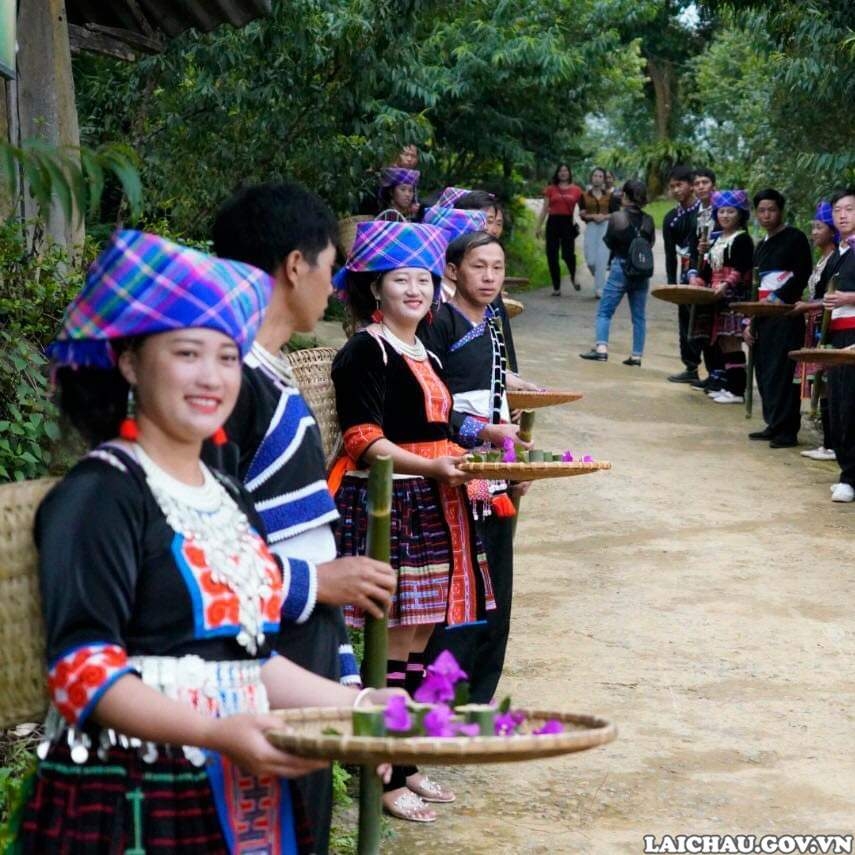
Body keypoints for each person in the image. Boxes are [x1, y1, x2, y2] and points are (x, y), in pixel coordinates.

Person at [18, 230, 395, 854]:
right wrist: (220, 731)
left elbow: (245, 659)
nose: (212, 377)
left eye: (227, 357)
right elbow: (82, 674)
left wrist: (360, 707)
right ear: (130, 361)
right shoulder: (99, 497)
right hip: (135, 803)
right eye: (188, 354)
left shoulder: (224, 494)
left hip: (238, 795)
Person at [209, 182, 397, 853]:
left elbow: (308, 543)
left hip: (298, 654)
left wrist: (344, 682)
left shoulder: (268, 374)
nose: (333, 281)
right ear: (295, 265)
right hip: (252, 665)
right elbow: (200, 561)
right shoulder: (229, 388)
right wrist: (317, 588)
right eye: (330, 263)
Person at [331, 219, 495, 822]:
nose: (416, 289)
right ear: (374, 287)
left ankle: (405, 761)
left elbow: (439, 427)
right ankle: (386, 773)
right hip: (394, 501)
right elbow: (363, 439)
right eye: (401, 279)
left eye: (423, 278)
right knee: (396, 641)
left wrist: (485, 435)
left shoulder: (422, 348)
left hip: (434, 498)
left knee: (423, 637)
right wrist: (429, 469)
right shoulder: (365, 350)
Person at [419, 230, 535, 707]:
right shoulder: (438, 324)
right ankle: (438, 705)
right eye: (478, 267)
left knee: (497, 588)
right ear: (452, 271)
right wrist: (484, 436)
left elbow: (497, 398)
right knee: (460, 590)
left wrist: (512, 462)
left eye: (497, 268)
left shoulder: (491, 320)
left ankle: (476, 700)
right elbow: (428, 406)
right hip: (455, 468)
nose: (489, 277)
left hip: (493, 471)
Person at [746, 189, 813, 448]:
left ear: (781, 211)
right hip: (763, 315)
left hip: (786, 315)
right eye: (761, 210)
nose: (766, 215)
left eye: (771, 210)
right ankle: (773, 423)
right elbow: (755, 284)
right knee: (764, 370)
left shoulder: (794, 238)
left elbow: (802, 272)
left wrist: (778, 298)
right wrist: (750, 320)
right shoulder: (761, 245)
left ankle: (787, 430)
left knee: (782, 372)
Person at [579, 179, 655, 366]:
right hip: (641, 271)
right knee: (639, 316)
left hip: (620, 266)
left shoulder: (617, 217)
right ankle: (636, 355)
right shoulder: (649, 220)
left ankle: (601, 349)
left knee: (605, 311)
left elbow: (609, 242)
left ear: (626, 196)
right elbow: (650, 244)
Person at [689, 190, 754, 404]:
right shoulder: (717, 239)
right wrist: (699, 282)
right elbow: (707, 267)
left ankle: (736, 390)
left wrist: (726, 284)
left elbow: (741, 267)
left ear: (740, 214)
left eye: (731, 211)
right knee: (724, 343)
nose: (725, 216)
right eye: (722, 211)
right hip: (717, 296)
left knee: (733, 341)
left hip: (733, 296)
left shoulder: (742, 239)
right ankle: (729, 386)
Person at [793, 202, 839, 461]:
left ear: (831, 231)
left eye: (819, 227)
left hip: (828, 326)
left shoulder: (836, 259)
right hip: (815, 323)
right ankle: (827, 442)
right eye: (813, 227)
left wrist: (809, 305)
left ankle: (832, 443)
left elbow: (832, 297)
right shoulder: (822, 258)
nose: (814, 232)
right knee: (822, 384)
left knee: (829, 382)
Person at [817, 188, 855, 502]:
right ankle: (847, 471)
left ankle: (850, 476)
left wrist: (848, 298)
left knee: (851, 404)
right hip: (837, 335)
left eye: (850, 209)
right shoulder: (839, 253)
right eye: (837, 210)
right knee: (839, 404)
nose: (842, 215)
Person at [663, 166, 703, 383]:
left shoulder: (705, 212)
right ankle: (691, 367)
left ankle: (717, 372)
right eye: (672, 187)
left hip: (706, 274)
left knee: (705, 320)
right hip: (685, 274)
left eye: (680, 185)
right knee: (685, 320)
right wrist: (671, 284)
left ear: (690, 185)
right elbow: (670, 254)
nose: (676, 190)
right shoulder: (671, 219)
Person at [536, 163, 583, 295]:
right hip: (553, 223)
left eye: (566, 170)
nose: (563, 173)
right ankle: (556, 287)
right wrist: (538, 227)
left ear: (569, 173)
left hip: (567, 223)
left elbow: (584, 207)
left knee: (568, 254)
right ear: (557, 173)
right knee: (552, 255)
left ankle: (574, 276)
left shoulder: (577, 190)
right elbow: (544, 209)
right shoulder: (550, 189)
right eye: (561, 171)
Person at [580, 167, 612, 298]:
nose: (597, 178)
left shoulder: (609, 196)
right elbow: (582, 214)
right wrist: (592, 216)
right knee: (591, 261)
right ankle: (599, 277)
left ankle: (599, 289)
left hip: (605, 226)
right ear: (591, 178)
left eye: (600, 176)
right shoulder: (584, 195)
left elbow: (615, 213)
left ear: (603, 179)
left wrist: (604, 216)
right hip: (591, 226)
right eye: (595, 176)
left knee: (602, 259)